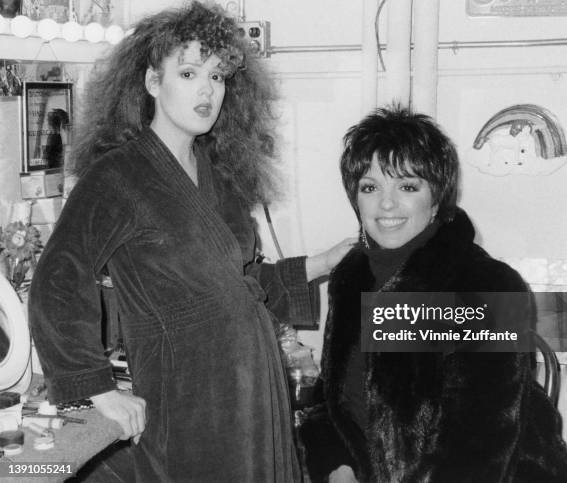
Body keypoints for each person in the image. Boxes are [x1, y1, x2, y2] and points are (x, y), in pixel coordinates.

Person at [29, 2, 354, 481]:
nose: (208, 90)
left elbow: (235, 282)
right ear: (152, 82)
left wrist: (322, 262)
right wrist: (98, 388)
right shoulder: (117, 176)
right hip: (187, 394)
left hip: (252, 384)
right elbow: (57, 280)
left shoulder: (217, 174)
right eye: (188, 72)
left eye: (218, 76)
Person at [299, 105, 567, 483]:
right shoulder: (352, 278)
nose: (386, 204)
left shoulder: (485, 285)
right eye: (370, 187)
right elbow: (330, 404)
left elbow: (480, 448)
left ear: (436, 200)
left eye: (408, 186)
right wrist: (337, 466)